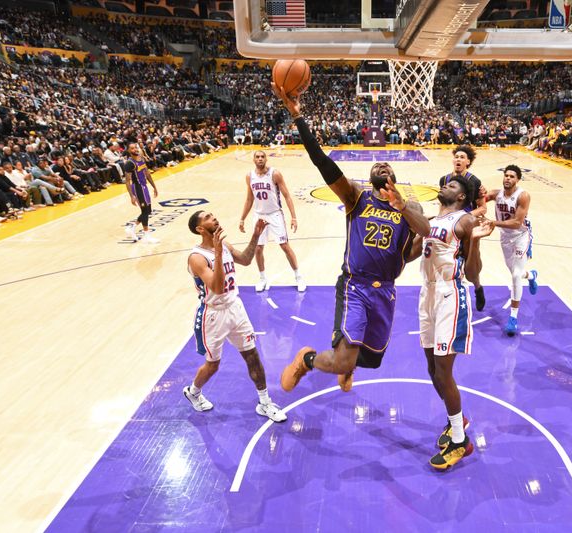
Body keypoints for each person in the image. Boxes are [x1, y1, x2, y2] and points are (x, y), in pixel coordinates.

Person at [273, 84, 431, 394]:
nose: (382, 164)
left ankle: (347, 363)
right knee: (343, 360)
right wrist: (298, 118)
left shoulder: (409, 208)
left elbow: (422, 233)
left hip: (385, 290)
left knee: (370, 359)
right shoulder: (356, 198)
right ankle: (305, 359)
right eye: (376, 166)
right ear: (371, 178)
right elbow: (322, 162)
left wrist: (401, 209)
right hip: (355, 286)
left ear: (394, 178)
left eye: (387, 165)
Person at [416, 174, 494, 469]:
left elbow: (473, 272)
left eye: (452, 185)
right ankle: (457, 419)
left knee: (444, 371)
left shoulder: (464, 221)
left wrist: (474, 243)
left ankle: (461, 441)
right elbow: (413, 254)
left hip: (451, 295)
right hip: (427, 294)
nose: (445, 186)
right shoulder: (433, 220)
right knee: (432, 369)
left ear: (462, 197)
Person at [184, 211, 287, 422]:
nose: (214, 218)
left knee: (252, 355)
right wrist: (219, 252)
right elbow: (218, 288)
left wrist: (256, 235)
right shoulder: (197, 257)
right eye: (208, 217)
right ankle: (193, 392)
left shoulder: (225, 245)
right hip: (213, 315)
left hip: (235, 307)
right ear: (200, 229)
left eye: (214, 215)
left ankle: (265, 403)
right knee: (213, 365)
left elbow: (247, 260)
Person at [238, 150, 305, 292]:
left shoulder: (275, 174)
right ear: (253, 159)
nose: (260, 159)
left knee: (284, 246)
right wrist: (242, 218)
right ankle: (262, 278)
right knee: (258, 249)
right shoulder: (249, 176)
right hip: (259, 215)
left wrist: (293, 217)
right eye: (257, 157)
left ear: (266, 159)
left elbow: (287, 196)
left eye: (262, 157)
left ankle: (298, 276)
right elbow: (249, 199)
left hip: (275, 214)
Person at [484, 164, 538, 336]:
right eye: (506, 175)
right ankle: (531, 275)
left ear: (518, 180)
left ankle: (513, 317)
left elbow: (516, 223)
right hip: (505, 237)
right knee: (516, 272)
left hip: (521, 236)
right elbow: (479, 199)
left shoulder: (523, 196)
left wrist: (493, 222)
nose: (508, 178)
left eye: (512, 176)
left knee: (515, 275)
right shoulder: (495, 194)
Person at [439, 145, 488, 310]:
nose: (458, 159)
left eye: (462, 157)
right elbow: (443, 205)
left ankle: (477, 286)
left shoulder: (475, 182)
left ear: (468, 162)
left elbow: (482, 208)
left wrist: (463, 217)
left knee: (470, 260)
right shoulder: (444, 179)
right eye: (456, 156)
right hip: (449, 226)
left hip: (467, 226)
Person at [123, 143, 159, 244]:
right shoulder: (130, 163)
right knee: (144, 211)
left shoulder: (141, 159)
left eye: (136, 147)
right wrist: (132, 196)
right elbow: (127, 181)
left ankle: (132, 228)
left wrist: (154, 187)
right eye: (132, 148)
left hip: (144, 187)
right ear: (129, 151)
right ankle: (147, 235)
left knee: (148, 211)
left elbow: (147, 173)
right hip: (137, 188)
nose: (135, 149)